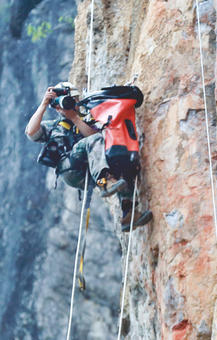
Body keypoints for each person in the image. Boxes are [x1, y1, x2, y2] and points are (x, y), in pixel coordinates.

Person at [25, 82, 152, 231]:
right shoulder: (54, 126)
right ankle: (105, 181)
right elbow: (31, 132)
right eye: (59, 104)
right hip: (69, 166)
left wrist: (74, 118)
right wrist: (44, 104)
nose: (65, 105)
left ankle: (128, 213)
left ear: (77, 100)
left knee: (123, 162)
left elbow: (95, 136)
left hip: (91, 169)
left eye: (70, 100)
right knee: (94, 142)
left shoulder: (88, 119)